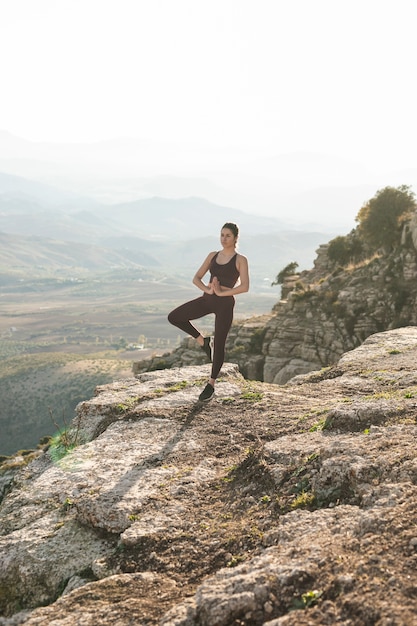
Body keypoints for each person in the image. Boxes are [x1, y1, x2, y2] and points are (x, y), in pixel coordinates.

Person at [168, 222, 249, 402]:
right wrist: (208, 289)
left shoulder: (240, 259)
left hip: (225, 304)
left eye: (228, 235)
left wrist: (222, 292)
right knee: (174, 317)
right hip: (207, 299)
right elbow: (196, 278)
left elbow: (245, 286)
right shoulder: (213, 255)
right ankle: (202, 340)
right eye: (221, 235)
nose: (223, 238)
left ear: (236, 238)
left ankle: (211, 385)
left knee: (220, 343)